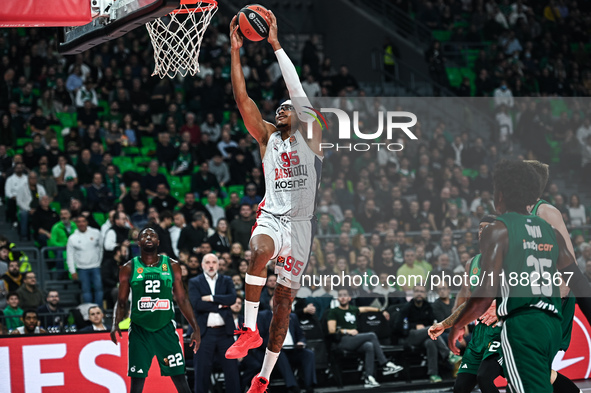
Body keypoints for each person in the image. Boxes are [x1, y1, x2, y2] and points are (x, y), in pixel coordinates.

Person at [225, 13, 325, 393]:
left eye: (286, 108)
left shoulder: (312, 137)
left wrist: (275, 45)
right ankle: (248, 329)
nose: (281, 109)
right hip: (273, 218)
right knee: (257, 252)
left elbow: (297, 89)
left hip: (302, 226)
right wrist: (236, 52)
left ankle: (264, 375)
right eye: (279, 107)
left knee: (283, 305)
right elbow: (242, 98)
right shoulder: (266, 137)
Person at [449, 160, 591, 393]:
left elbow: (483, 297)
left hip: (522, 325)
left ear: (500, 195)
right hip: (550, 323)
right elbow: (579, 280)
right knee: (537, 381)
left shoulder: (501, 229)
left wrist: (458, 324)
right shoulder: (548, 231)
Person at [111, 227, 200, 393]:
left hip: (165, 328)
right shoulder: (128, 267)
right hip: (139, 330)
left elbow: (182, 299)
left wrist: (195, 327)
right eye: (144, 235)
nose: (149, 237)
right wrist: (115, 323)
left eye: (152, 235)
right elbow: (121, 301)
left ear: (158, 242)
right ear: (139, 242)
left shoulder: (172, 265)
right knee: (136, 383)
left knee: (180, 378)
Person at [428, 215, 500, 393]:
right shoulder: (472, 263)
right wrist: (445, 324)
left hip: (503, 330)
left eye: (488, 227)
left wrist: (501, 308)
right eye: (480, 228)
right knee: (460, 387)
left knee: (485, 378)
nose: (482, 231)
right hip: (480, 333)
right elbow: (469, 304)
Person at [327, 288, 403, 387]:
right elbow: (331, 330)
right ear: (338, 298)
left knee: (369, 346)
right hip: (343, 340)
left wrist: (381, 311)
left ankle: (369, 378)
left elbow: (366, 308)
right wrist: (347, 330)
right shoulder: (334, 312)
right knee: (371, 335)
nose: (342, 297)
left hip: (354, 340)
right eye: (340, 295)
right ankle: (385, 363)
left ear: (349, 298)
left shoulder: (353, 309)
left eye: (345, 295)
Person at [188, 253, 240, 393]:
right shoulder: (195, 282)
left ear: (218, 264)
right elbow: (197, 304)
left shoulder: (227, 280)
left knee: (232, 372)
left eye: (214, 262)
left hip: (225, 332)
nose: (211, 265)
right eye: (208, 262)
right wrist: (219, 305)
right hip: (204, 334)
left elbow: (232, 299)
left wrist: (211, 298)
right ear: (202, 265)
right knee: (202, 372)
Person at [399, 285, 459, 383]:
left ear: (425, 294)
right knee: (430, 329)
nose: (419, 293)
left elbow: (432, 321)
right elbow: (398, 326)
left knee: (430, 343)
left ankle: (433, 374)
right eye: (417, 291)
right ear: (413, 293)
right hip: (411, 337)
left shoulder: (427, 306)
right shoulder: (407, 307)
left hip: (425, 336)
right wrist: (414, 326)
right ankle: (448, 355)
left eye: (422, 291)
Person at [67, 215, 103, 304]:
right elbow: (69, 255)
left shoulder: (96, 233)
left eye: (83, 221)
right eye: (79, 222)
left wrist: (100, 262)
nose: (81, 223)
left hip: (96, 266)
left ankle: (99, 310)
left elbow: (102, 248)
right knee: (86, 290)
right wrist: (72, 271)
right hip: (82, 268)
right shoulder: (72, 238)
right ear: (76, 224)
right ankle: (88, 310)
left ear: (87, 222)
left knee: (99, 289)